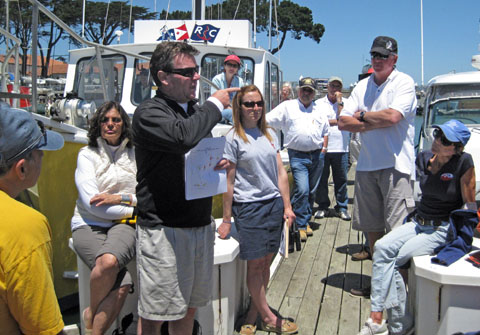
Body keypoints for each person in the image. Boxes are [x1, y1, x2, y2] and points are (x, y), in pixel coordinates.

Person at [132, 41, 238, 335]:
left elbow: (194, 147)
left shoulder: (193, 111)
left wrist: (219, 160)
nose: (196, 77)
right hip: (164, 230)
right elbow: (183, 137)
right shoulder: (149, 113)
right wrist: (215, 103)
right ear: (163, 77)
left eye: (197, 70)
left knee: (189, 308)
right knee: (154, 314)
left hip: (199, 225)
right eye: (188, 71)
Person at [357, 120, 476, 335]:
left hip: (440, 229)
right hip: (418, 222)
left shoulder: (464, 163)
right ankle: (378, 316)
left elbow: (469, 204)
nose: (437, 140)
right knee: (382, 248)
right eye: (438, 134)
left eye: (444, 139)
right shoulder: (424, 158)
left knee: (396, 259)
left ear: (458, 148)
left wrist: (468, 234)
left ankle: (396, 324)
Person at [338, 36, 417, 297]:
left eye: (383, 56)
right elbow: (342, 122)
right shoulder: (362, 86)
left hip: (397, 168)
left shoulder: (404, 82)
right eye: (374, 55)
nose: (378, 60)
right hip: (366, 168)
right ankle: (380, 287)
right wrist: (375, 121)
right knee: (373, 232)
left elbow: (394, 116)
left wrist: (361, 116)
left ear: (394, 59)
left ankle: (402, 291)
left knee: (397, 234)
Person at [217, 85, 298, 335]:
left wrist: (287, 205)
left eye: (258, 104)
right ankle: (269, 317)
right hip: (249, 208)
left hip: (273, 205)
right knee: (255, 265)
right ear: (238, 108)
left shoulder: (269, 134)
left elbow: (280, 172)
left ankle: (253, 314)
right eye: (249, 104)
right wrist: (227, 219)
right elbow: (228, 182)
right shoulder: (232, 138)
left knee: (266, 264)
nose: (255, 108)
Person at [71, 101, 137, 335]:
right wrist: (136, 208)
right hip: (88, 223)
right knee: (123, 281)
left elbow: (145, 194)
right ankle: (94, 327)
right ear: (98, 125)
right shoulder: (87, 155)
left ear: (123, 124)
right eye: (105, 120)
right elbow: (95, 206)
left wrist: (121, 198)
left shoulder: (135, 154)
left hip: (124, 224)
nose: (110, 124)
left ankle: (90, 316)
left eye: (116, 120)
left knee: (108, 262)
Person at [0, 102, 65, 334]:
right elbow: (43, 329)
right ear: (22, 169)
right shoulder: (24, 227)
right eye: (39, 153)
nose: (42, 159)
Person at [267, 77, 329, 242]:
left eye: (310, 90)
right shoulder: (287, 106)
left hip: (317, 155)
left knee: (311, 192)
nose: (306, 93)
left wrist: (324, 149)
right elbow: (266, 121)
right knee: (302, 189)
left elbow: (326, 131)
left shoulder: (320, 109)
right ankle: (301, 224)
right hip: (298, 156)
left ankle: (303, 220)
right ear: (298, 90)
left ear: (314, 93)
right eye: (304, 89)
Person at [314, 76, 351, 221]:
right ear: (327, 87)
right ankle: (322, 206)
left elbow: (344, 120)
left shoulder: (347, 103)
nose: (335, 89)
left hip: (341, 147)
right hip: (323, 147)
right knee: (322, 179)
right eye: (332, 86)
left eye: (338, 87)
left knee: (341, 179)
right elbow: (318, 122)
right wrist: (336, 122)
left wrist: (340, 103)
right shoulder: (318, 103)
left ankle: (342, 207)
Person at [211, 54, 245, 124]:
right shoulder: (217, 79)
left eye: (235, 66)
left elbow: (241, 100)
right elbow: (216, 101)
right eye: (229, 65)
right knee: (231, 113)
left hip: (234, 111)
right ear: (225, 66)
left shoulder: (240, 81)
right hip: (219, 111)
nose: (232, 68)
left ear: (237, 69)